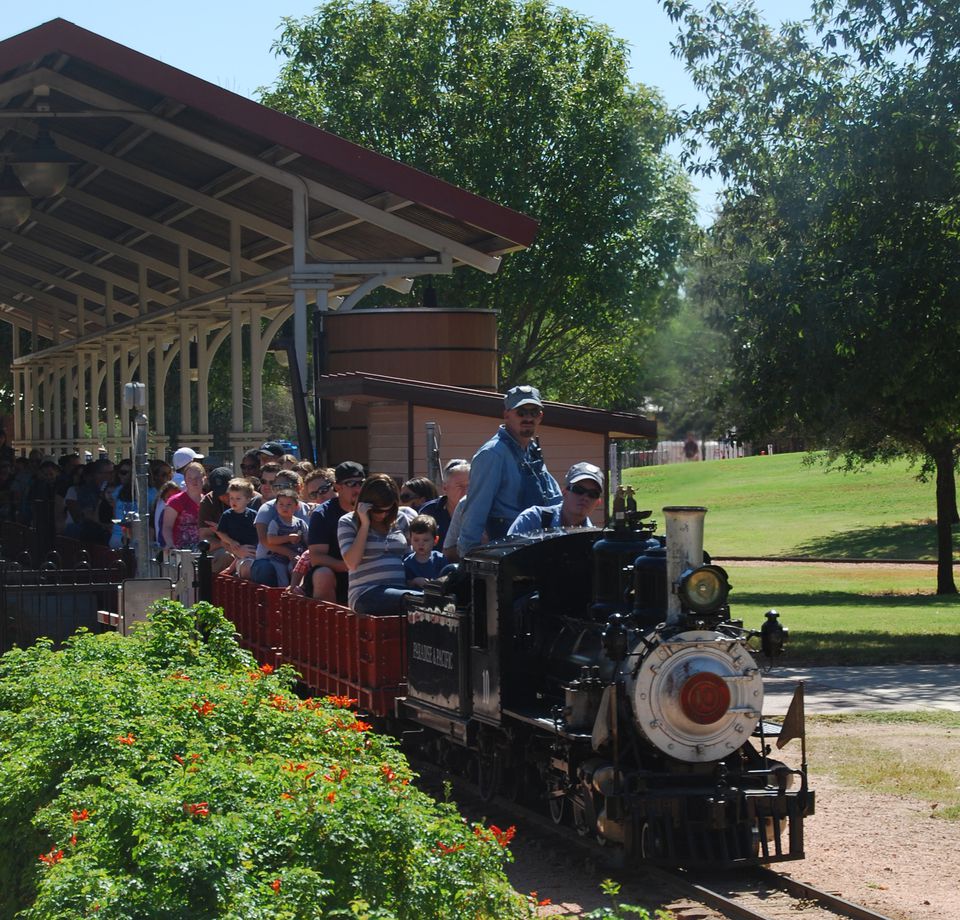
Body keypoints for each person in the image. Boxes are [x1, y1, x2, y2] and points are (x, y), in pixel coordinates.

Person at [458, 385, 560, 556]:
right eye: (521, 412)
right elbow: (475, 511)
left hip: (538, 547)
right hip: (508, 551)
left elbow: (554, 500)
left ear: (540, 416)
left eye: (533, 412)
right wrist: (467, 559)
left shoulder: (532, 451)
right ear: (506, 415)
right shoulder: (492, 454)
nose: (528, 417)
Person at [338, 473, 420, 615]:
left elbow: (409, 557)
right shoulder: (347, 522)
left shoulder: (401, 519)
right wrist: (364, 524)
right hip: (366, 593)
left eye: (387, 510)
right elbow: (351, 563)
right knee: (417, 601)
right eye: (377, 510)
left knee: (430, 600)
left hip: (399, 589)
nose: (382, 515)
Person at [305, 461, 364, 602]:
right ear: (338, 487)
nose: (358, 488)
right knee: (322, 574)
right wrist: (349, 567)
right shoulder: (322, 514)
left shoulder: (374, 509)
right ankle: (327, 623)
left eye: (361, 483)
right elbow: (317, 557)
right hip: (338, 574)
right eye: (351, 484)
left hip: (369, 571)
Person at [508, 462, 604, 536]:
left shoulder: (596, 538)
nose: (585, 497)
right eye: (578, 490)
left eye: (593, 494)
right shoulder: (531, 520)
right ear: (564, 492)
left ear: (598, 503)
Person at [213, 478, 259, 578]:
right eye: (231, 498)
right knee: (246, 563)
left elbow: (259, 532)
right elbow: (221, 532)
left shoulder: (253, 515)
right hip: (238, 549)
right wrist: (231, 541)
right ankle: (232, 569)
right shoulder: (227, 515)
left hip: (253, 548)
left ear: (248, 499)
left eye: (238, 499)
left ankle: (231, 568)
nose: (234, 501)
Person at [265, 488, 309, 587]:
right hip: (278, 559)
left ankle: (296, 591)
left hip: (296, 557)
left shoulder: (300, 523)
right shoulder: (275, 522)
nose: (285, 507)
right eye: (281, 504)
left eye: (289, 505)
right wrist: (288, 538)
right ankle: (283, 595)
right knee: (283, 581)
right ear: (276, 506)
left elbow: (307, 539)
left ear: (296, 507)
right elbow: (271, 540)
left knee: (296, 571)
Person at [419, 459, 469, 546]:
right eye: (460, 486)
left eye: (469, 485)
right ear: (445, 488)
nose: (466, 491)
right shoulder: (428, 512)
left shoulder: (482, 511)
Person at [197, 467, 237, 573]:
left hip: (248, 547)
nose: (226, 496)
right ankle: (206, 587)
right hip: (223, 548)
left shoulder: (250, 497)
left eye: (228, 491)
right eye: (221, 493)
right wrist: (223, 543)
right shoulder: (208, 502)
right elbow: (205, 538)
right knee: (225, 556)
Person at [162, 460, 204, 549]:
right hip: (182, 549)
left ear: (204, 478)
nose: (194, 481)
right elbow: (167, 527)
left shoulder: (208, 501)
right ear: (185, 479)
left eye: (197, 477)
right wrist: (169, 543)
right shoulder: (175, 501)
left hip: (205, 548)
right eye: (190, 478)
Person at [403, 514, 447, 586]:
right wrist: (414, 581)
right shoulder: (407, 562)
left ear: (435, 540)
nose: (420, 544)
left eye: (425, 540)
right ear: (410, 540)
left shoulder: (440, 559)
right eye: (416, 540)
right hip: (416, 595)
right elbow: (406, 583)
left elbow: (446, 579)